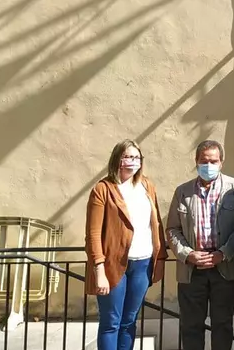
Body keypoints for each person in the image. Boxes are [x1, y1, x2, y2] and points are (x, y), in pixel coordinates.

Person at [166, 140, 234, 350]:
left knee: (223, 326)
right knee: (191, 326)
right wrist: (188, 254)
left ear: (221, 162)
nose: (209, 165)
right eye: (204, 161)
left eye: (213, 161)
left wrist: (223, 253)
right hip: (192, 269)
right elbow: (172, 229)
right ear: (196, 161)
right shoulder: (182, 191)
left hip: (224, 268)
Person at [84, 140, 166, 350]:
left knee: (129, 321)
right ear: (117, 159)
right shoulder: (103, 189)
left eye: (137, 157)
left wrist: (160, 258)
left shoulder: (146, 186)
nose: (133, 161)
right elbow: (93, 234)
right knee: (111, 322)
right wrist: (99, 269)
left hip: (143, 263)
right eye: (128, 156)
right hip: (113, 265)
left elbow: (156, 223)